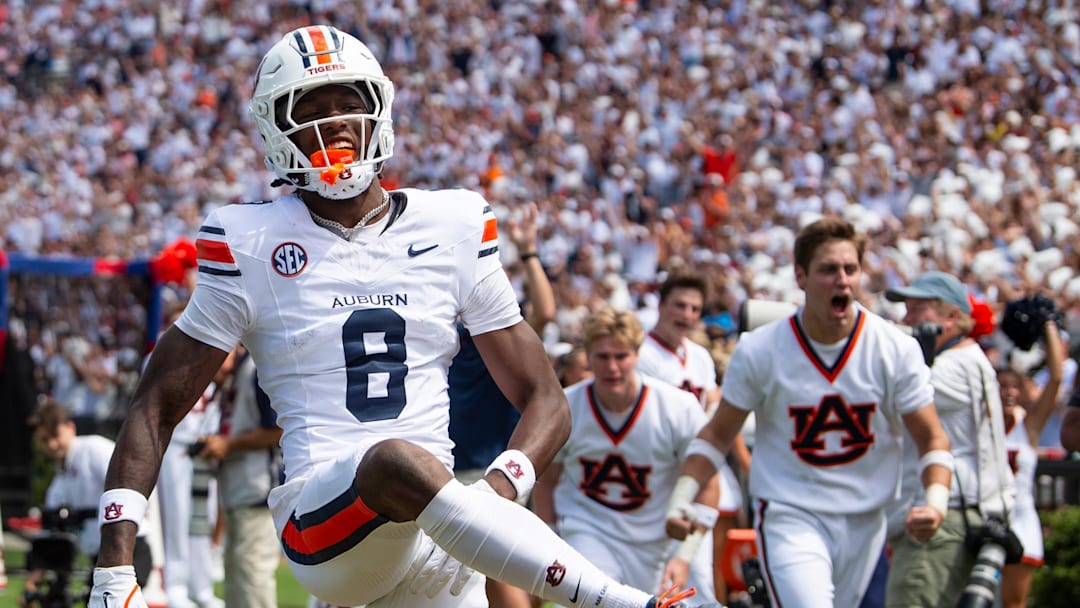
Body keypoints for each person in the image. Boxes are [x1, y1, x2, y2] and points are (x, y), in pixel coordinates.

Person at [87, 25, 717, 608]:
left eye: (344, 102)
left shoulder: (454, 225)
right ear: (276, 131)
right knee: (393, 459)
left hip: (440, 538)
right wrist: (115, 570)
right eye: (308, 109)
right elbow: (157, 402)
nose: (333, 122)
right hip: (325, 526)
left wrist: (494, 497)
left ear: (378, 111)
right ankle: (620, 601)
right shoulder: (250, 239)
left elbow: (545, 396)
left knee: (410, 468)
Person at [665, 218, 952, 608]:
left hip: (866, 519)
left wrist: (935, 501)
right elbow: (717, 434)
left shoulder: (893, 348)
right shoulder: (761, 349)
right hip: (790, 512)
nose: (843, 280)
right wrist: (682, 496)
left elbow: (932, 436)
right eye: (828, 269)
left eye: (851, 269)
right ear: (800, 275)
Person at [532, 307, 713, 596]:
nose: (612, 367)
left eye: (621, 356)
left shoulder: (678, 407)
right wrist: (550, 538)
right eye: (602, 357)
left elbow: (709, 482)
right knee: (598, 597)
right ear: (588, 356)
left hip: (656, 542)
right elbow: (547, 480)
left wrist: (685, 554)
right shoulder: (566, 406)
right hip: (588, 530)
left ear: (637, 355)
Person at [883, 270, 1017, 608]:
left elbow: (885, 388)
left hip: (937, 519)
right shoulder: (967, 359)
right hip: (955, 515)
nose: (907, 318)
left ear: (952, 316)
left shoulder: (953, 365)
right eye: (907, 309)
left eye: (918, 309)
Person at [448, 201, 554, 608]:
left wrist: (527, 252)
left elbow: (544, 313)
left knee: (498, 576)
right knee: (509, 577)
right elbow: (544, 312)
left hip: (493, 468)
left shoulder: (489, 338)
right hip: (472, 468)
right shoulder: (456, 335)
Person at [637, 273, 749, 604]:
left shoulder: (698, 355)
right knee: (656, 573)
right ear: (661, 305)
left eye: (694, 309)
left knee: (699, 572)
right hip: (656, 470)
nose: (686, 315)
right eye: (679, 305)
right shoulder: (641, 354)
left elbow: (716, 406)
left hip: (698, 469)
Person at [23, 399, 152, 604]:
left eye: (55, 436)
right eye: (44, 439)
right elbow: (50, 530)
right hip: (103, 557)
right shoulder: (58, 481)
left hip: (130, 548)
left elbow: (132, 476)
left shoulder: (94, 448)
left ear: (70, 427)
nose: (52, 444)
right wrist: (34, 579)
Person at [195, 346, 283, 608]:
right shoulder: (234, 376)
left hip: (257, 487)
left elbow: (278, 430)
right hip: (236, 488)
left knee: (252, 572)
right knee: (234, 571)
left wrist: (229, 445)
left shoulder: (256, 370)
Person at [997, 318, 1064, 608]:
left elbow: (1057, 378)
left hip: (1021, 518)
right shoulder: (978, 425)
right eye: (1001, 386)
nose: (1009, 393)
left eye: (1014, 387)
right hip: (985, 514)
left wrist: (1048, 325)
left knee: (1013, 603)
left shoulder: (1030, 427)